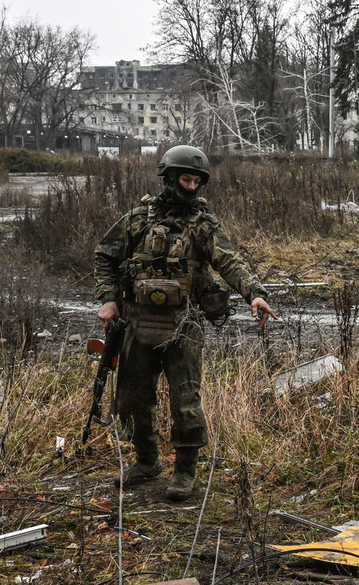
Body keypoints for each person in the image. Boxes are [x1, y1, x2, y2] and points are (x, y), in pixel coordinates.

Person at [93, 145, 276, 501]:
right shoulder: (136, 220)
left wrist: (253, 293)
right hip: (137, 323)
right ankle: (146, 461)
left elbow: (230, 262)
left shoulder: (204, 226)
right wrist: (109, 300)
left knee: (185, 401)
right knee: (131, 398)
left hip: (184, 325)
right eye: (185, 178)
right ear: (169, 177)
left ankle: (185, 470)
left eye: (196, 181)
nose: (191, 186)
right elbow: (105, 256)